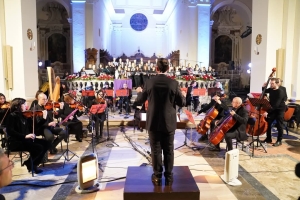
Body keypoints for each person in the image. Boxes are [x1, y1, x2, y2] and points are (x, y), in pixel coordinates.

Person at [135, 58, 186, 186]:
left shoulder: (149, 82)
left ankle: (157, 177)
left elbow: (139, 101)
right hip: (169, 122)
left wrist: (139, 93)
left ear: (156, 69)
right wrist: (182, 95)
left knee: (156, 150)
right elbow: (182, 103)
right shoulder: (173, 83)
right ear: (168, 69)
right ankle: (169, 177)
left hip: (153, 122)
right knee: (169, 150)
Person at [6, 98, 50, 174]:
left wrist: (44, 118)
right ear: (18, 106)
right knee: (38, 147)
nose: (27, 106)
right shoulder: (12, 116)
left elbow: (34, 127)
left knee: (46, 144)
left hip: (26, 140)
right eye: (24, 104)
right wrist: (25, 136)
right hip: (16, 142)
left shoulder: (25, 116)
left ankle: (30, 163)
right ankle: (32, 164)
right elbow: (10, 131)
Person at [262, 78, 286, 146]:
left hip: (280, 110)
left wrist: (267, 112)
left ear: (277, 83)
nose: (271, 85)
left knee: (279, 125)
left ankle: (279, 140)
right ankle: (268, 138)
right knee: (268, 123)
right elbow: (264, 91)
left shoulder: (280, 92)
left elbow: (276, 105)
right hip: (273, 109)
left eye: (272, 83)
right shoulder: (271, 89)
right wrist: (263, 86)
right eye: (270, 83)